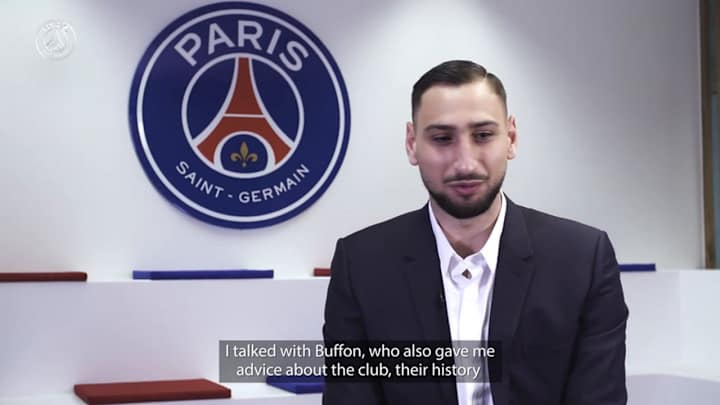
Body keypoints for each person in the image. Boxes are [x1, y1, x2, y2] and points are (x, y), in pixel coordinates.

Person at [322, 60, 629, 405]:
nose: (465, 162)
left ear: (511, 138)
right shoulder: (361, 265)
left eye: (483, 135)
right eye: (442, 138)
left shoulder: (583, 260)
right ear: (412, 143)